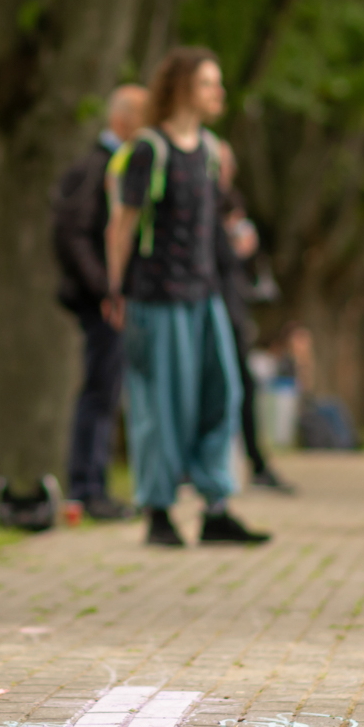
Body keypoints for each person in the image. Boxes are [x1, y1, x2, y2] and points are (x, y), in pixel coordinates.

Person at [105, 48, 269, 548]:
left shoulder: (213, 151)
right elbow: (123, 226)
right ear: (180, 89)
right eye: (207, 83)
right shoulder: (149, 150)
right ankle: (157, 511)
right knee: (160, 403)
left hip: (205, 296)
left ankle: (216, 506)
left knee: (223, 396)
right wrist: (115, 290)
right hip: (155, 297)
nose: (218, 93)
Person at [50, 84, 147, 520]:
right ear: (122, 120)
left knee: (105, 390)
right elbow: (71, 235)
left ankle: (92, 487)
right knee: (100, 391)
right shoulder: (97, 168)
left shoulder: (112, 165)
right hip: (102, 301)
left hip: (108, 299)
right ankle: (89, 490)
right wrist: (106, 289)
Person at [216, 143, 289, 491]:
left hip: (232, 305)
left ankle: (254, 463)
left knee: (241, 386)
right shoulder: (207, 202)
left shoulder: (233, 202)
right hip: (213, 306)